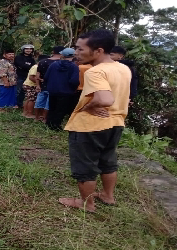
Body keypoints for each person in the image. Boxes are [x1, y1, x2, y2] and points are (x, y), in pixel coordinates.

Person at [59, 29, 131, 213]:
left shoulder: (95, 72)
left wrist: (87, 107)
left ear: (98, 51)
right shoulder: (122, 68)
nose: (77, 53)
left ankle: (87, 204)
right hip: (115, 123)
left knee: (85, 165)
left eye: (80, 49)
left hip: (90, 126)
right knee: (108, 161)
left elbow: (105, 99)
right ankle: (108, 196)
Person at [44, 48, 80, 131]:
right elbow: (74, 80)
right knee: (61, 109)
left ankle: (49, 123)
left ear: (63, 55)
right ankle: (56, 125)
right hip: (66, 92)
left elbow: (46, 77)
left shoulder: (54, 64)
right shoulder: (74, 67)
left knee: (52, 107)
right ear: (73, 55)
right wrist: (73, 89)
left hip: (53, 90)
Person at [34, 46, 64, 122]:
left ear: (53, 52)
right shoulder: (62, 63)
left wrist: (37, 85)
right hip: (54, 86)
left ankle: (36, 117)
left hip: (42, 85)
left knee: (39, 102)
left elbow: (38, 75)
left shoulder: (42, 61)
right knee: (49, 103)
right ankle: (44, 118)